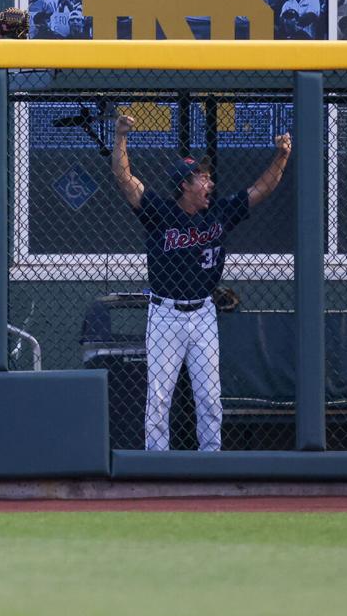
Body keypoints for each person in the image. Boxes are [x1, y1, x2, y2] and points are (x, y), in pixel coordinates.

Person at [111, 114, 292, 451]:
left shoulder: (218, 213)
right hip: (165, 314)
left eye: (209, 177)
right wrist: (120, 136)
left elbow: (261, 189)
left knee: (209, 396)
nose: (210, 184)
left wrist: (281, 155)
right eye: (203, 178)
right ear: (185, 185)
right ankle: (157, 462)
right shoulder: (160, 213)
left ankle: (211, 460)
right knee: (159, 397)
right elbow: (124, 179)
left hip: (204, 314)